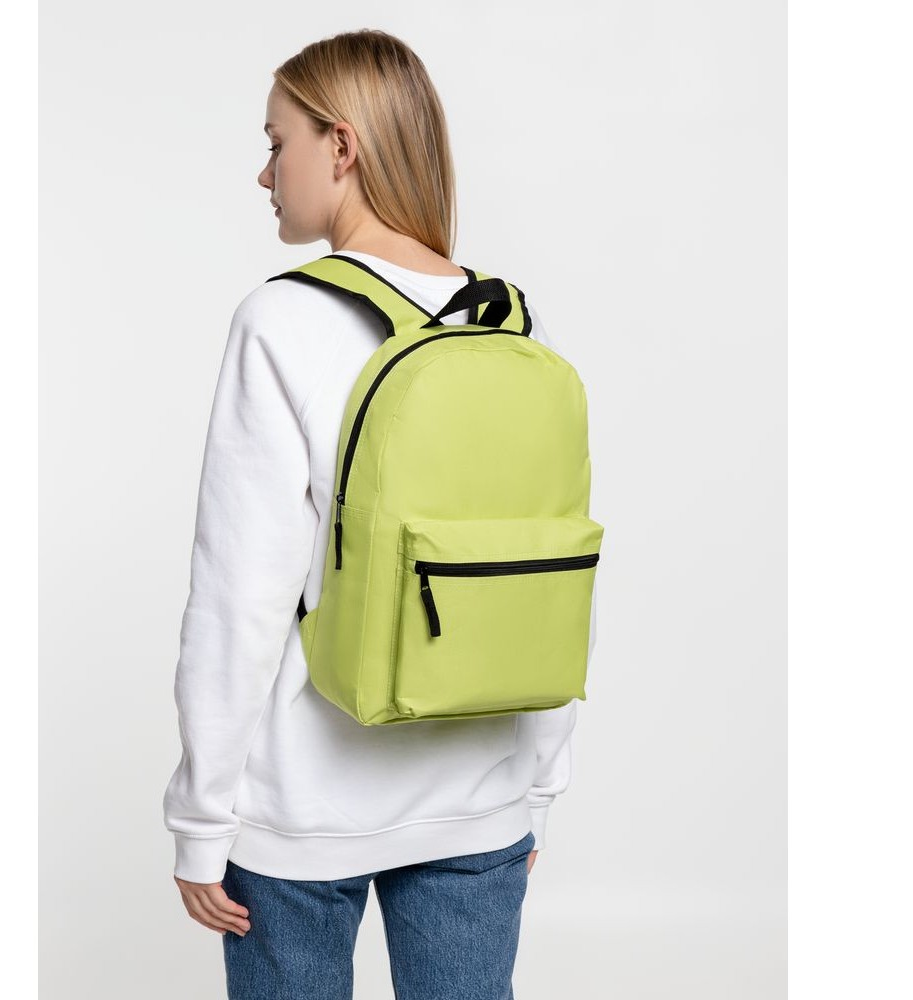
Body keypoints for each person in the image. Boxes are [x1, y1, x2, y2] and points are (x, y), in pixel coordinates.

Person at [162, 28, 596, 1000]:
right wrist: (535, 787)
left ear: (342, 146)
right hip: (481, 800)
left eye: (277, 142)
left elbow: (239, 596)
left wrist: (200, 818)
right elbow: (553, 573)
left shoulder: (281, 319)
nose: (265, 173)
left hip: (301, 815)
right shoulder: (513, 323)